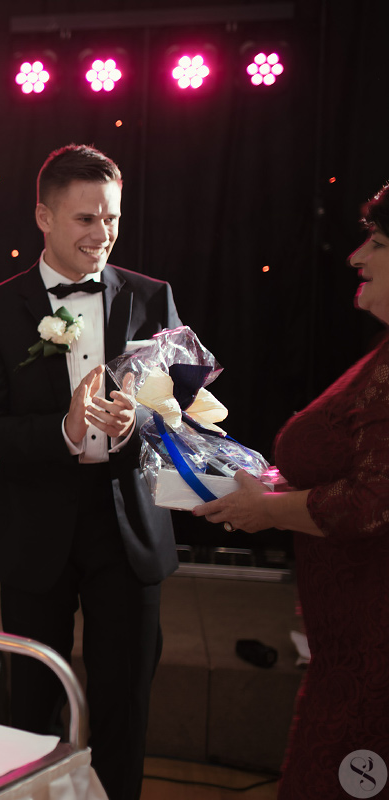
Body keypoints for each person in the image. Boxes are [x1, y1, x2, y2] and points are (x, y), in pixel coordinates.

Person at [0, 144, 181, 800]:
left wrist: (138, 422)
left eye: (111, 218)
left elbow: (182, 409)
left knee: (125, 708)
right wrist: (63, 429)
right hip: (35, 526)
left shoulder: (153, 297)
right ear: (44, 217)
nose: (101, 233)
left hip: (129, 526)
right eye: (85, 219)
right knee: (31, 710)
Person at [195, 183, 389, 800]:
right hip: (349, 640)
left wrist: (269, 508)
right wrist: (271, 487)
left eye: (378, 242)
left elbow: (372, 502)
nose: (357, 256)